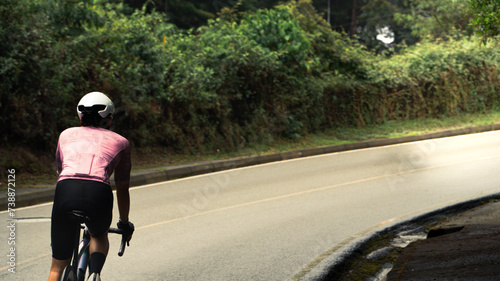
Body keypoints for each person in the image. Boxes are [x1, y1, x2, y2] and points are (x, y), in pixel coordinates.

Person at [48, 92, 134, 281]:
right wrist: (124, 222)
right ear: (109, 120)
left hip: (65, 190)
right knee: (98, 234)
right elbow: (122, 186)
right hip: (98, 192)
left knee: (56, 266)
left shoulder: (65, 135)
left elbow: (60, 172)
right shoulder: (121, 142)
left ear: (80, 117)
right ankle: (94, 274)